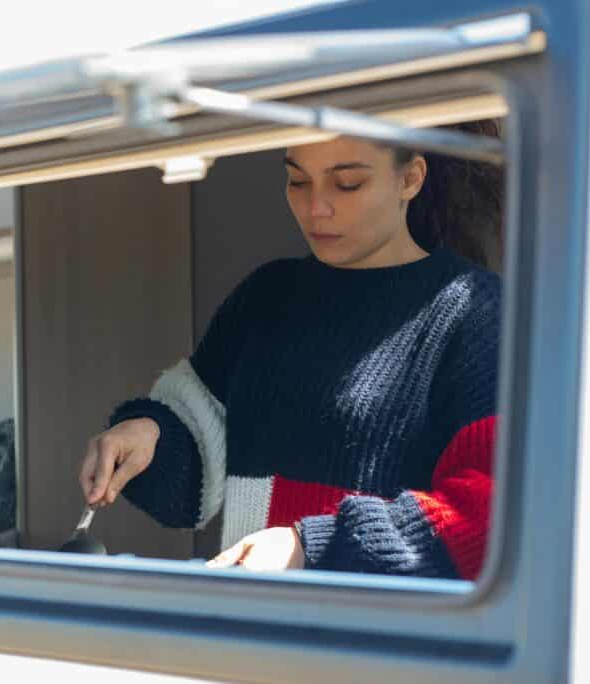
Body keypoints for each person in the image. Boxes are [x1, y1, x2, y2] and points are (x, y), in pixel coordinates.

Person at [78, 121, 503, 579]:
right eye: (297, 180)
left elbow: (489, 514)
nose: (315, 207)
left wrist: (309, 544)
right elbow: (196, 474)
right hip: (251, 628)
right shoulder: (266, 296)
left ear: (411, 179)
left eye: (347, 183)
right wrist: (150, 436)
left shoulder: (473, 310)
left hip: (384, 643)